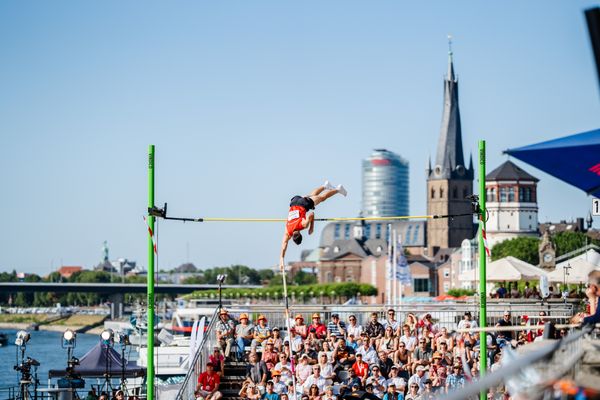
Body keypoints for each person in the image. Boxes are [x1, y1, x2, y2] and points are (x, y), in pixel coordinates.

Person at [279, 181, 347, 268]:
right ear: (292, 237)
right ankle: (325, 186)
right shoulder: (287, 231)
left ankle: (338, 189)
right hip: (294, 202)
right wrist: (281, 259)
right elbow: (283, 245)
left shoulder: (303, 225)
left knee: (322, 198)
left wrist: (311, 227)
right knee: (312, 196)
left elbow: (311, 214)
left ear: (300, 234)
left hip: (303, 204)